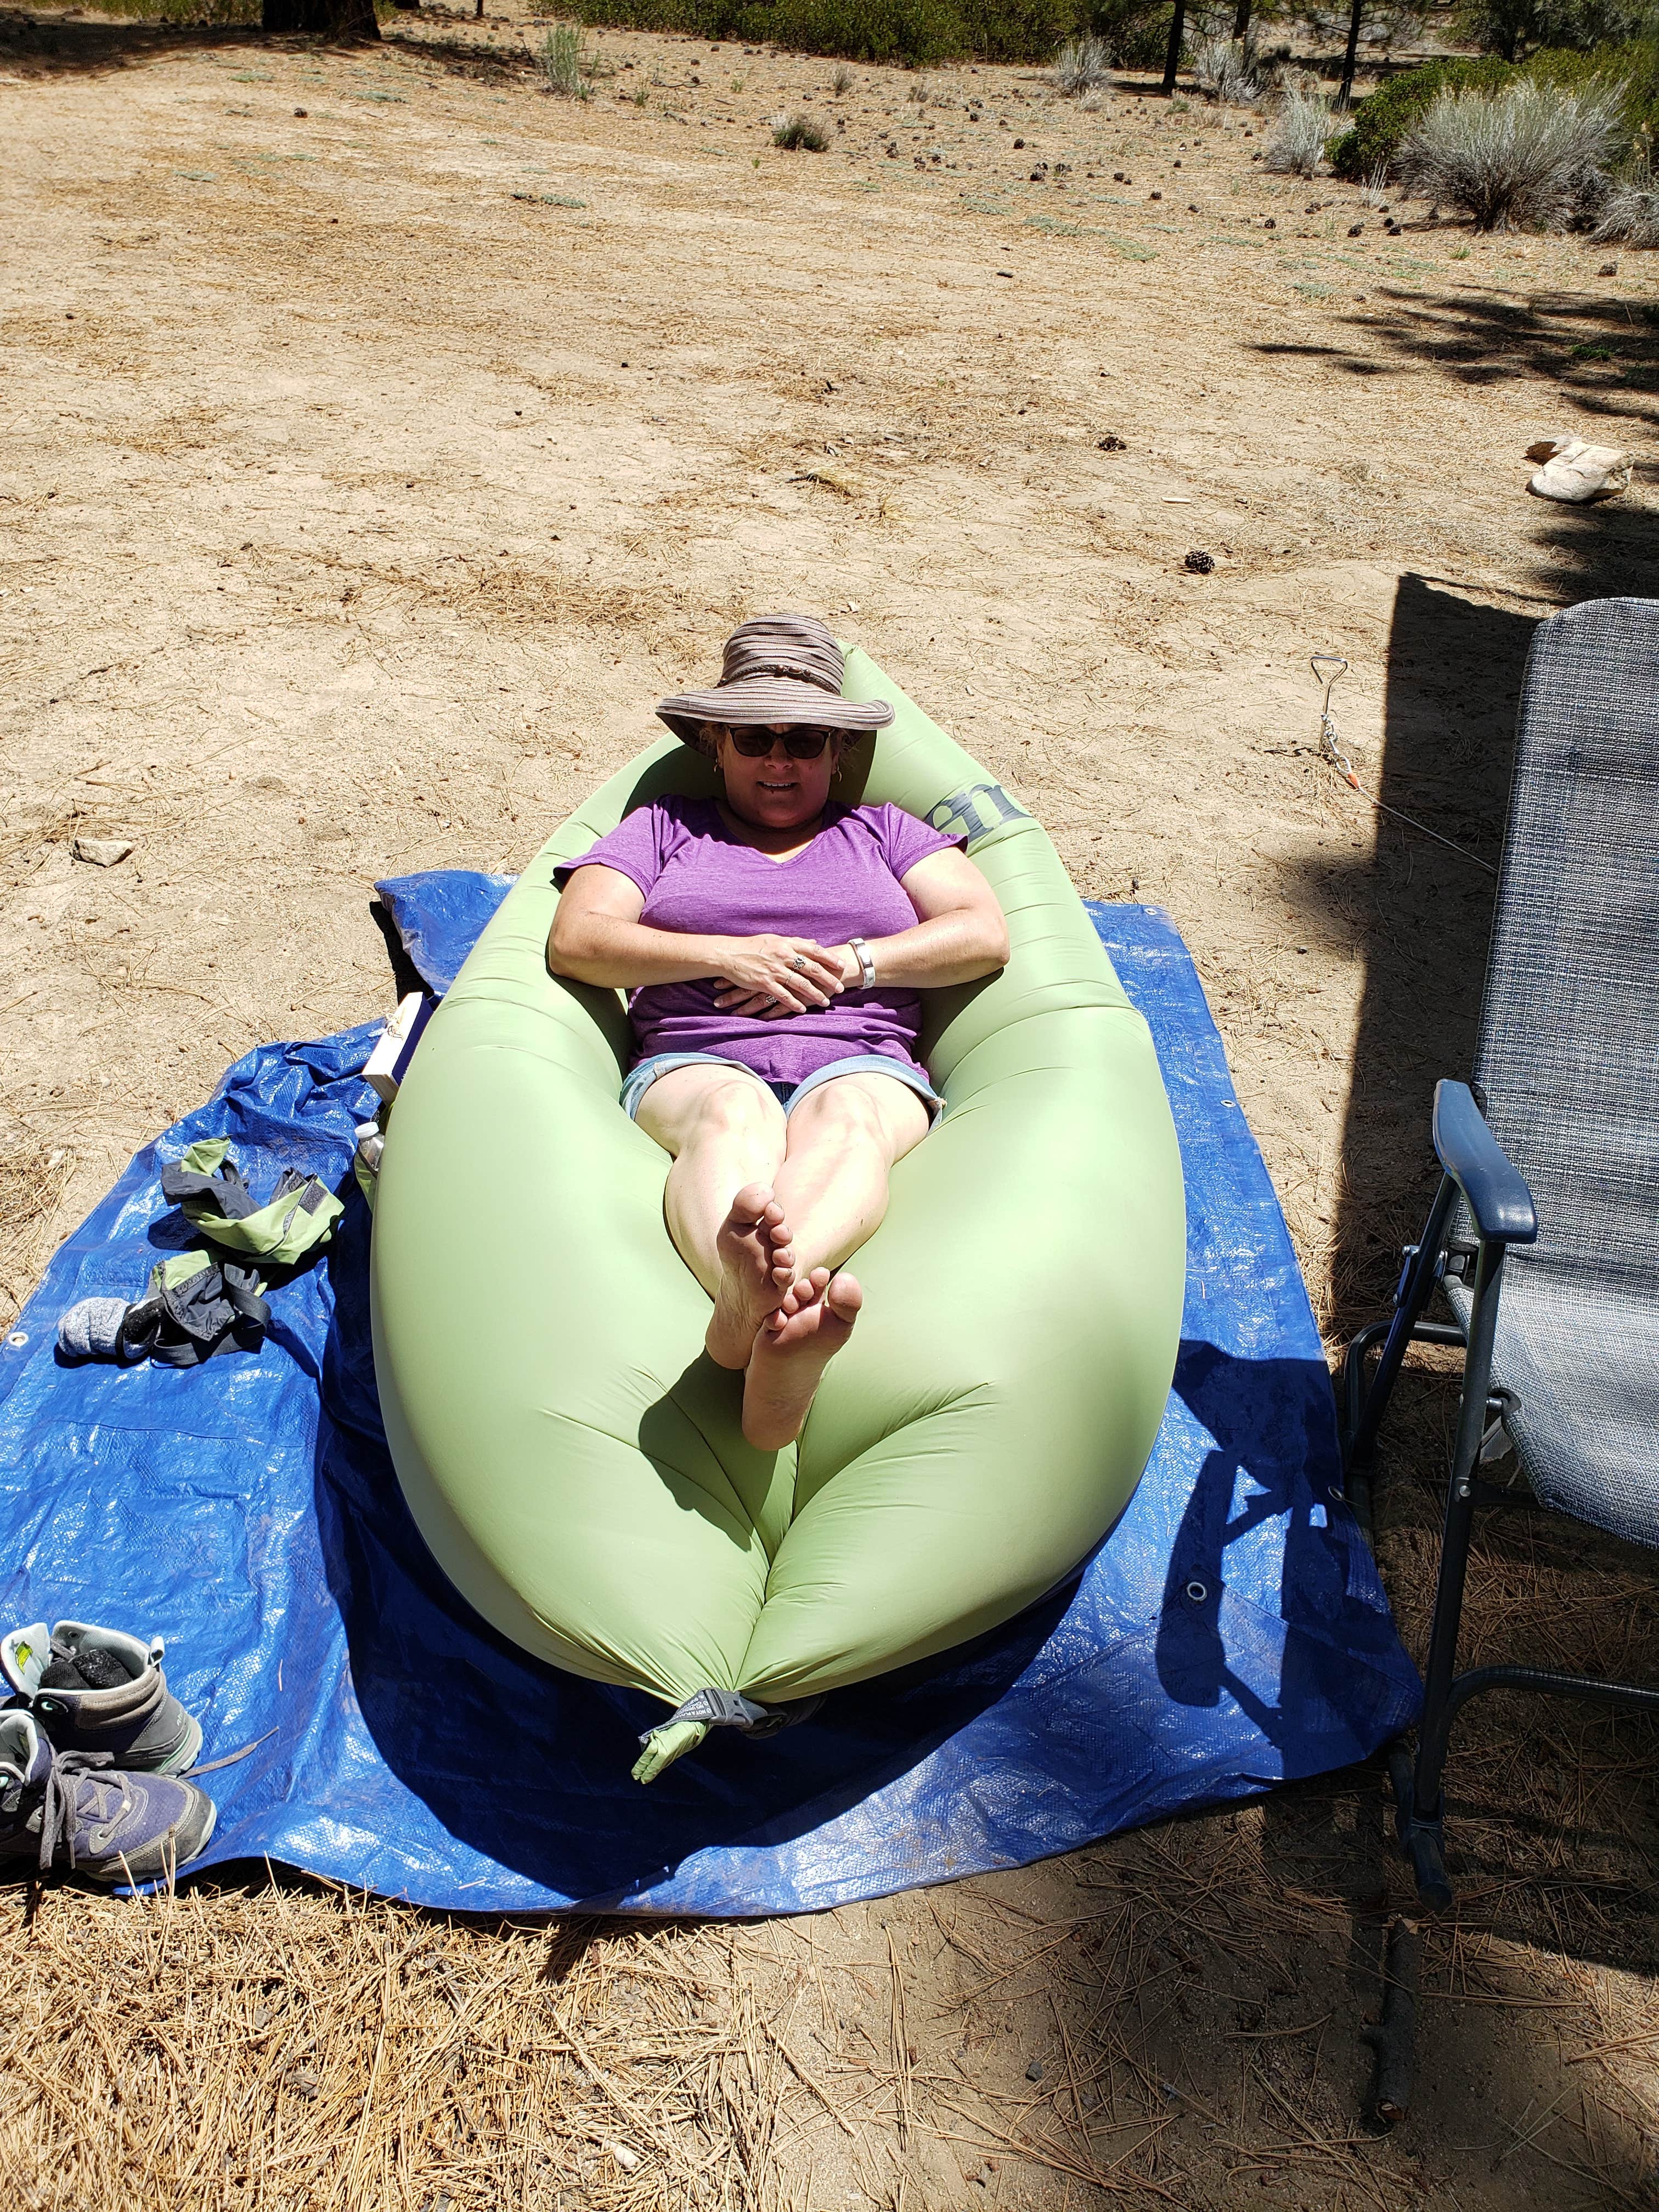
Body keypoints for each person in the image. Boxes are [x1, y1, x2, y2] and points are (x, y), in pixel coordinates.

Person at [548, 614, 1008, 1449]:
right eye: (757, 739)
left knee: (853, 1121)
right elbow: (578, 939)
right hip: (699, 1052)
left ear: (838, 752)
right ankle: (756, 1306)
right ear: (717, 744)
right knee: (734, 1114)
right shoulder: (663, 830)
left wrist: (855, 965)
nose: (781, 761)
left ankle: (757, 1310)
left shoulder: (884, 833)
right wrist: (725, 953)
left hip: (862, 1056)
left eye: (805, 740)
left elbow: (982, 931)